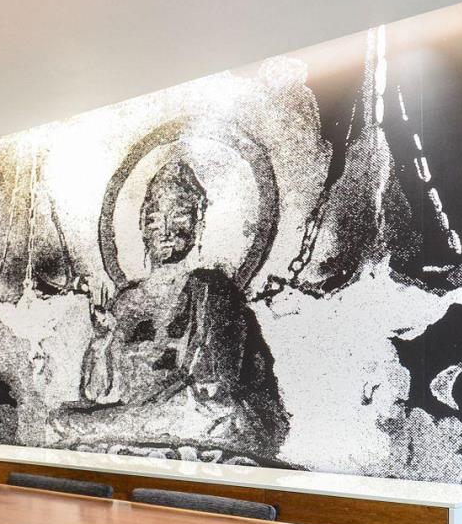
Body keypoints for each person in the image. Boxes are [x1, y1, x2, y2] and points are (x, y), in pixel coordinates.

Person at [57, 159, 289, 455]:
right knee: (65, 419)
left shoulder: (212, 289)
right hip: (138, 417)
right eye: (154, 218)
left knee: (205, 413)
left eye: (179, 216)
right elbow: (97, 394)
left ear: (198, 223)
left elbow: (213, 387)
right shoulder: (125, 300)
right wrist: (101, 343)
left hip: (194, 414)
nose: (165, 229)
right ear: (142, 224)